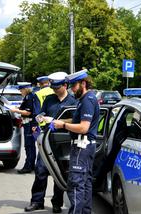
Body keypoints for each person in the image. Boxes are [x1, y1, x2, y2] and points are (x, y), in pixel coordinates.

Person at [25, 72, 77, 213]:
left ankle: (57, 203)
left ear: (65, 85)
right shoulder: (49, 99)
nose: (54, 89)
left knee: (58, 173)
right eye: (53, 87)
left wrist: (57, 122)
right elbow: (40, 114)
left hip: (63, 141)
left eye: (57, 87)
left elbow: (75, 120)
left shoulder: (73, 102)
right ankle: (37, 201)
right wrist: (40, 118)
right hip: (47, 139)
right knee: (40, 170)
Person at [52, 69, 100, 214]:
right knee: (85, 184)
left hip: (82, 147)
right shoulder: (86, 99)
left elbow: (83, 127)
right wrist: (59, 121)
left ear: (83, 83)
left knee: (76, 184)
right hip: (85, 147)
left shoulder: (87, 100)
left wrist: (63, 125)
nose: (72, 90)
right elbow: (77, 120)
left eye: (74, 85)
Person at [11, 82, 38, 174]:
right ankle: (31, 165)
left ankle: (28, 166)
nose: (20, 92)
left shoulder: (29, 97)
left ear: (25, 89)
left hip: (30, 124)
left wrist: (16, 110)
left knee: (29, 146)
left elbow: (28, 113)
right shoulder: (30, 96)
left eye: (21, 90)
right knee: (31, 146)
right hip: (32, 124)